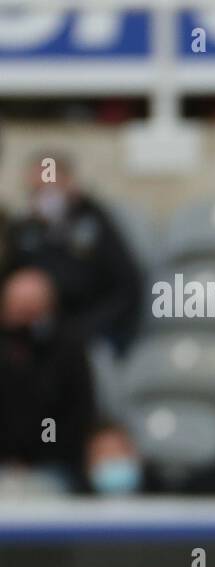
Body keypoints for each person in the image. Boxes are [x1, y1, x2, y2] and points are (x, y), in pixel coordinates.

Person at [4, 151, 142, 356]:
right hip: (32, 336)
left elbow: (127, 288)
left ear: (69, 183)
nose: (43, 198)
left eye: (48, 189)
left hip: (88, 336)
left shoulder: (96, 225)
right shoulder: (25, 231)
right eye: (35, 191)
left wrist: (85, 329)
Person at [0, 268, 96, 489]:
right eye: (17, 308)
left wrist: (36, 459)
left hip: (51, 467)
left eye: (30, 309)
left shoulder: (66, 353)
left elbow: (61, 421)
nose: (23, 319)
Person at [80, 421, 169, 496]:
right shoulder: (72, 504)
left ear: (138, 456)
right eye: (104, 453)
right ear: (88, 465)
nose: (113, 459)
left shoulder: (167, 499)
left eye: (120, 450)